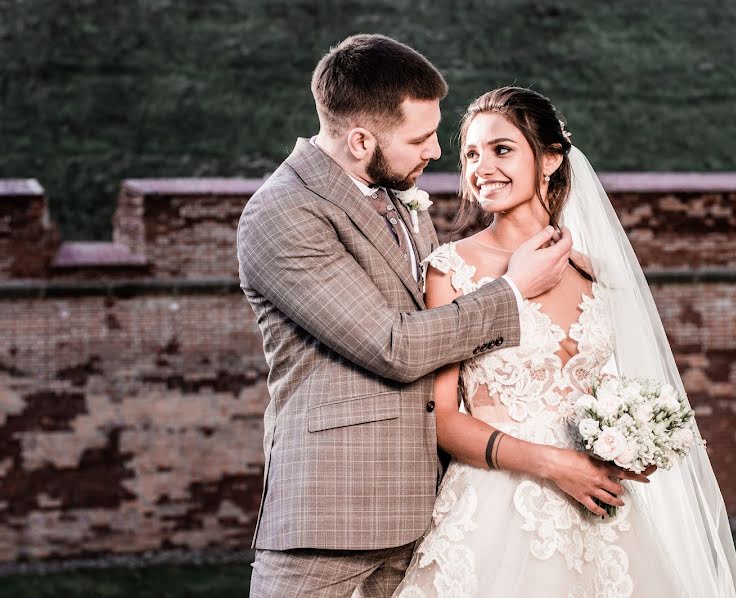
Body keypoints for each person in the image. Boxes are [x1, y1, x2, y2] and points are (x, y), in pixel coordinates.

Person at [237, 36, 585, 598]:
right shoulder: (282, 213)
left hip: (427, 510)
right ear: (360, 140)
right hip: (332, 516)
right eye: (421, 139)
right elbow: (391, 346)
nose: (437, 153)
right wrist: (512, 292)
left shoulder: (398, 196)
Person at [393, 87, 736, 597]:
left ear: (551, 159)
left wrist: (628, 442)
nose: (481, 166)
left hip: (601, 507)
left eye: (501, 149)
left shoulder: (594, 274)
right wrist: (554, 464)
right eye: (471, 153)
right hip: (498, 509)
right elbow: (442, 420)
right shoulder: (451, 270)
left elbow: (604, 398)